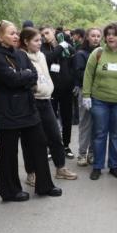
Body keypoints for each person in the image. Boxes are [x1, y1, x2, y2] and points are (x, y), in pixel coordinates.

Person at [0, 21, 61, 201]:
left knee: (40, 145)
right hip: (8, 110)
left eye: (16, 33)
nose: (16, 36)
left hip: (28, 107)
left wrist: (21, 76)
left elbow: (33, 76)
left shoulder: (20, 54)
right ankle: (10, 191)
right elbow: (11, 79)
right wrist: (22, 76)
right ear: (0, 36)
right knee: (9, 152)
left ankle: (45, 185)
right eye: (11, 33)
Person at [20, 27, 77, 184]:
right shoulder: (22, 56)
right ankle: (31, 173)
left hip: (46, 100)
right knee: (31, 140)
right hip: (31, 102)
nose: (40, 42)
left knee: (55, 136)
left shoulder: (41, 55)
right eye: (36, 40)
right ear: (26, 41)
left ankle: (60, 168)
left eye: (41, 39)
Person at [82, 23, 117, 180]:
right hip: (99, 101)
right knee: (99, 134)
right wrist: (86, 95)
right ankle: (97, 166)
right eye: (108, 34)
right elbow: (88, 74)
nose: (111, 37)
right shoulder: (98, 53)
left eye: (114, 34)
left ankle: (114, 166)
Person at [40, 26, 76, 159]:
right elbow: (48, 58)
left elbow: (73, 55)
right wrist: (60, 47)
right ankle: (51, 146)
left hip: (67, 89)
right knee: (51, 120)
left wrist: (64, 45)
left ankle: (66, 145)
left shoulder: (65, 42)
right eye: (42, 34)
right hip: (51, 90)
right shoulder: (43, 47)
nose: (45, 36)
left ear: (54, 32)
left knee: (67, 118)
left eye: (47, 33)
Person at [73, 28, 102, 166]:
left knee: (97, 125)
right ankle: (82, 153)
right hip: (84, 90)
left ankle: (92, 153)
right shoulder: (81, 54)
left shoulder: (103, 53)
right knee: (85, 123)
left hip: (100, 92)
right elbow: (79, 74)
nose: (96, 38)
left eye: (98, 36)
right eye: (93, 35)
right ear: (87, 37)